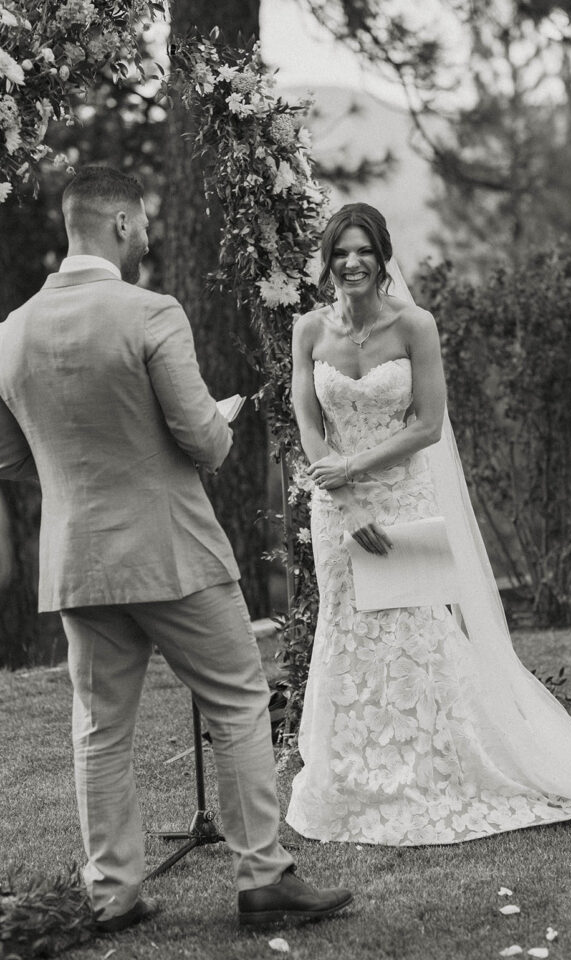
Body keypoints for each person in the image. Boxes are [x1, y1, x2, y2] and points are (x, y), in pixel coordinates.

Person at [0, 165, 352, 931]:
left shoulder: (11, 332)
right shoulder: (151, 313)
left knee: (100, 728)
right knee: (236, 703)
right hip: (173, 553)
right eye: (145, 222)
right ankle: (263, 876)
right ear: (121, 224)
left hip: (79, 563)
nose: (149, 234)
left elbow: (7, 459)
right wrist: (215, 424)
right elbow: (205, 441)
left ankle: (111, 892)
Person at [285, 201, 571, 846]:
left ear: (383, 258)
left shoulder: (415, 325)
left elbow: (427, 425)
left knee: (414, 635)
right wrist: (345, 494)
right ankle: (353, 776)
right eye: (340, 252)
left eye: (363, 251)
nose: (351, 262)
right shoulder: (308, 330)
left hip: (403, 499)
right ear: (327, 260)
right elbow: (307, 419)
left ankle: (433, 768)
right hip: (337, 506)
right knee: (347, 633)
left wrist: (357, 466)